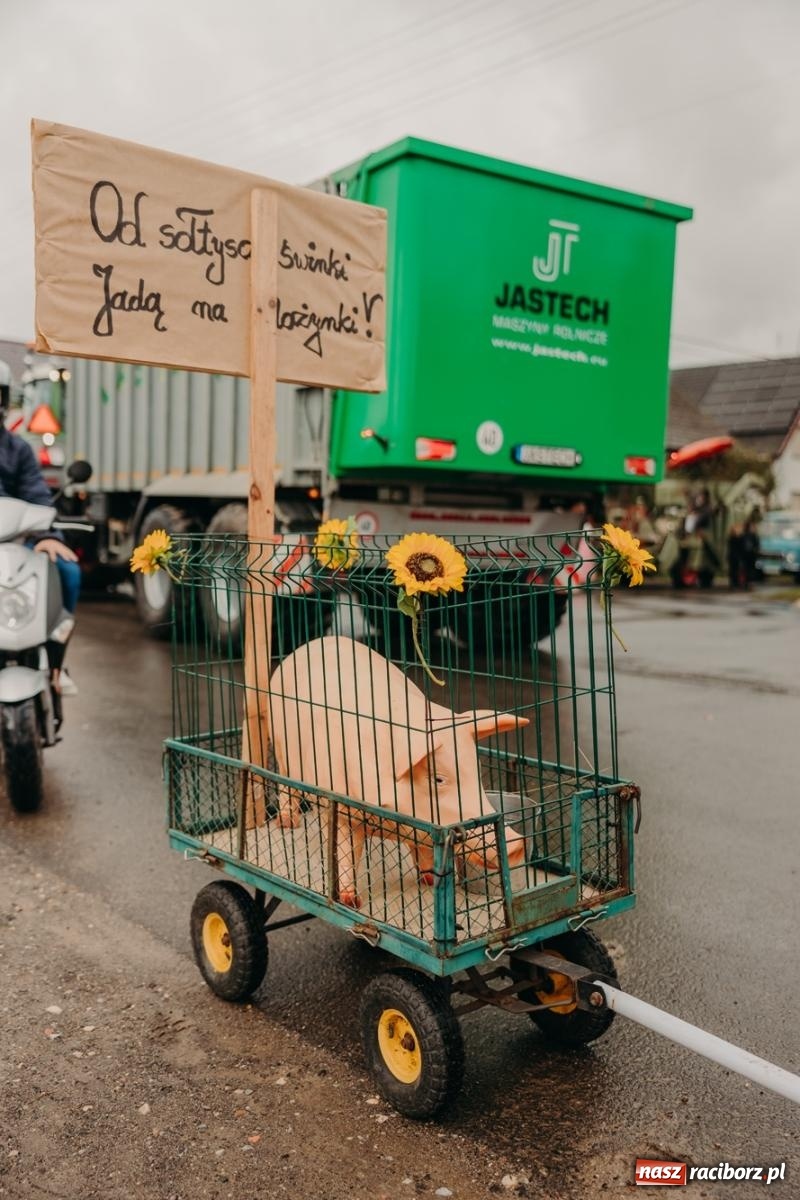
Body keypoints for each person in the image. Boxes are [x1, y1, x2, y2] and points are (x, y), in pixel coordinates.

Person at [0, 361, 81, 693]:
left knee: (67, 571)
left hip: (17, 538)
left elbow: (36, 493)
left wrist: (48, 536)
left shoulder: (17, 448)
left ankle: (55, 663)